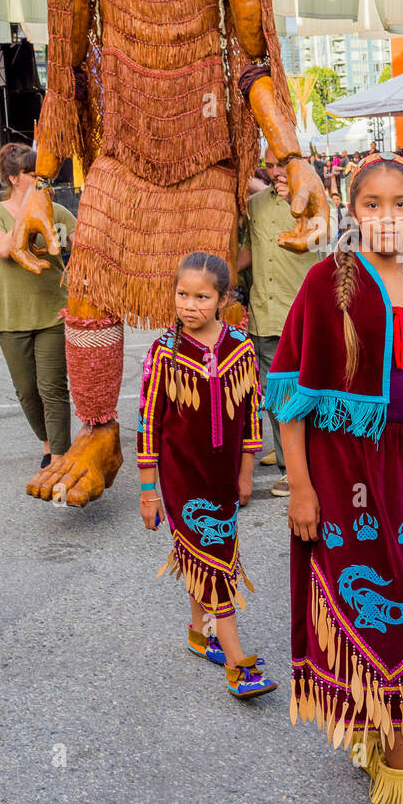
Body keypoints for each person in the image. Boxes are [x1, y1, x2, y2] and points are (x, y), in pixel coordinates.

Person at [17, 0, 326, 508]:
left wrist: (293, 161)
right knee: (86, 287)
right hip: (123, 153)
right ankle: (97, 431)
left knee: (206, 306)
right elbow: (63, 74)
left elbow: (254, 61)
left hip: (203, 157)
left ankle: (213, 444)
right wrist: (37, 188)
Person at [265, 151, 403, 804]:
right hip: (340, 474)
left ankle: (373, 730)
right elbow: (288, 395)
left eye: (400, 204)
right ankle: (401, 772)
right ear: (352, 213)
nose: (387, 217)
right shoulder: (325, 282)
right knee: (368, 601)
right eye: (371, 204)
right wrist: (298, 487)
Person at [138, 252, 277, 699]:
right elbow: (148, 423)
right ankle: (237, 661)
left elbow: (252, 415)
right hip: (182, 478)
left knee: (208, 554)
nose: (190, 305)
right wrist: (148, 491)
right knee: (216, 562)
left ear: (223, 299)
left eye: (202, 296)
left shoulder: (240, 346)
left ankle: (200, 633)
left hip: (223, 478)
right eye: (182, 294)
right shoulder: (164, 352)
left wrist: (245, 473)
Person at [0, 144, 77, 469]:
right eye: (33, 174)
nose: (41, 180)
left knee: (52, 388)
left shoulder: (59, 212)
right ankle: (49, 445)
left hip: (52, 313)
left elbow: (86, 247)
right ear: (13, 177)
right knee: (27, 392)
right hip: (10, 318)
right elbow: (5, 248)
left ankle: (60, 457)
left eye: (43, 175)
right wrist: (29, 208)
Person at [237, 147, 320, 497]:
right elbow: (249, 253)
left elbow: (330, 245)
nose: (275, 172)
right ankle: (290, 464)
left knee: (310, 391)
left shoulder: (314, 200)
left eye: (281, 164)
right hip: (265, 315)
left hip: (304, 313)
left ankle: (310, 461)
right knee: (275, 394)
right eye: (269, 166)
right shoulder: (255, 207)